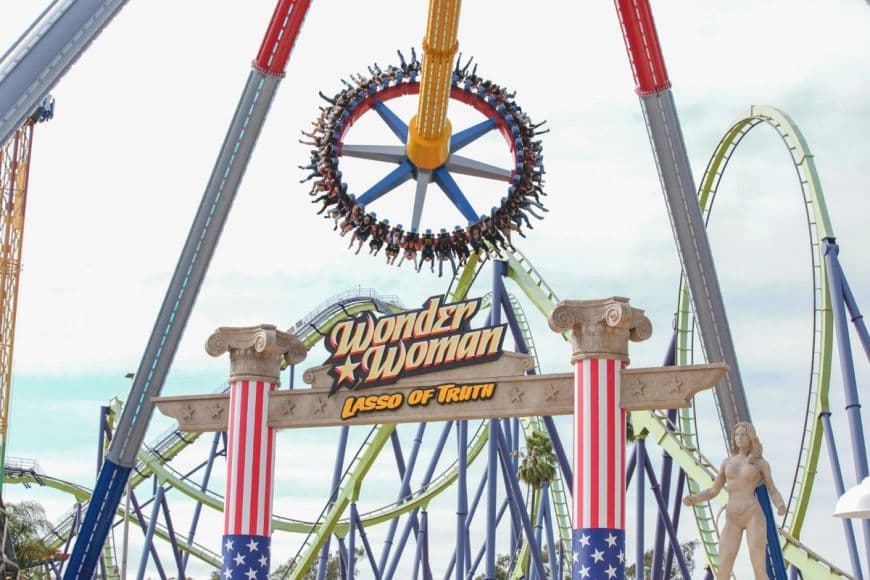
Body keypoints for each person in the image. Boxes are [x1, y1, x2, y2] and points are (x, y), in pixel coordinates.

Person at [683, 422, 786, 579]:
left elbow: (772, 489)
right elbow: (713, 490)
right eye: (736, 434)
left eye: (743, 434)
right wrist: (695, 498)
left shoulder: (760, 464)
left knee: (758, 567)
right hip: (732, 518)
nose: (739, 438)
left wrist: (780, 504)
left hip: (753, 515)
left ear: (750, 437)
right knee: (723, 569)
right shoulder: (727, 462)